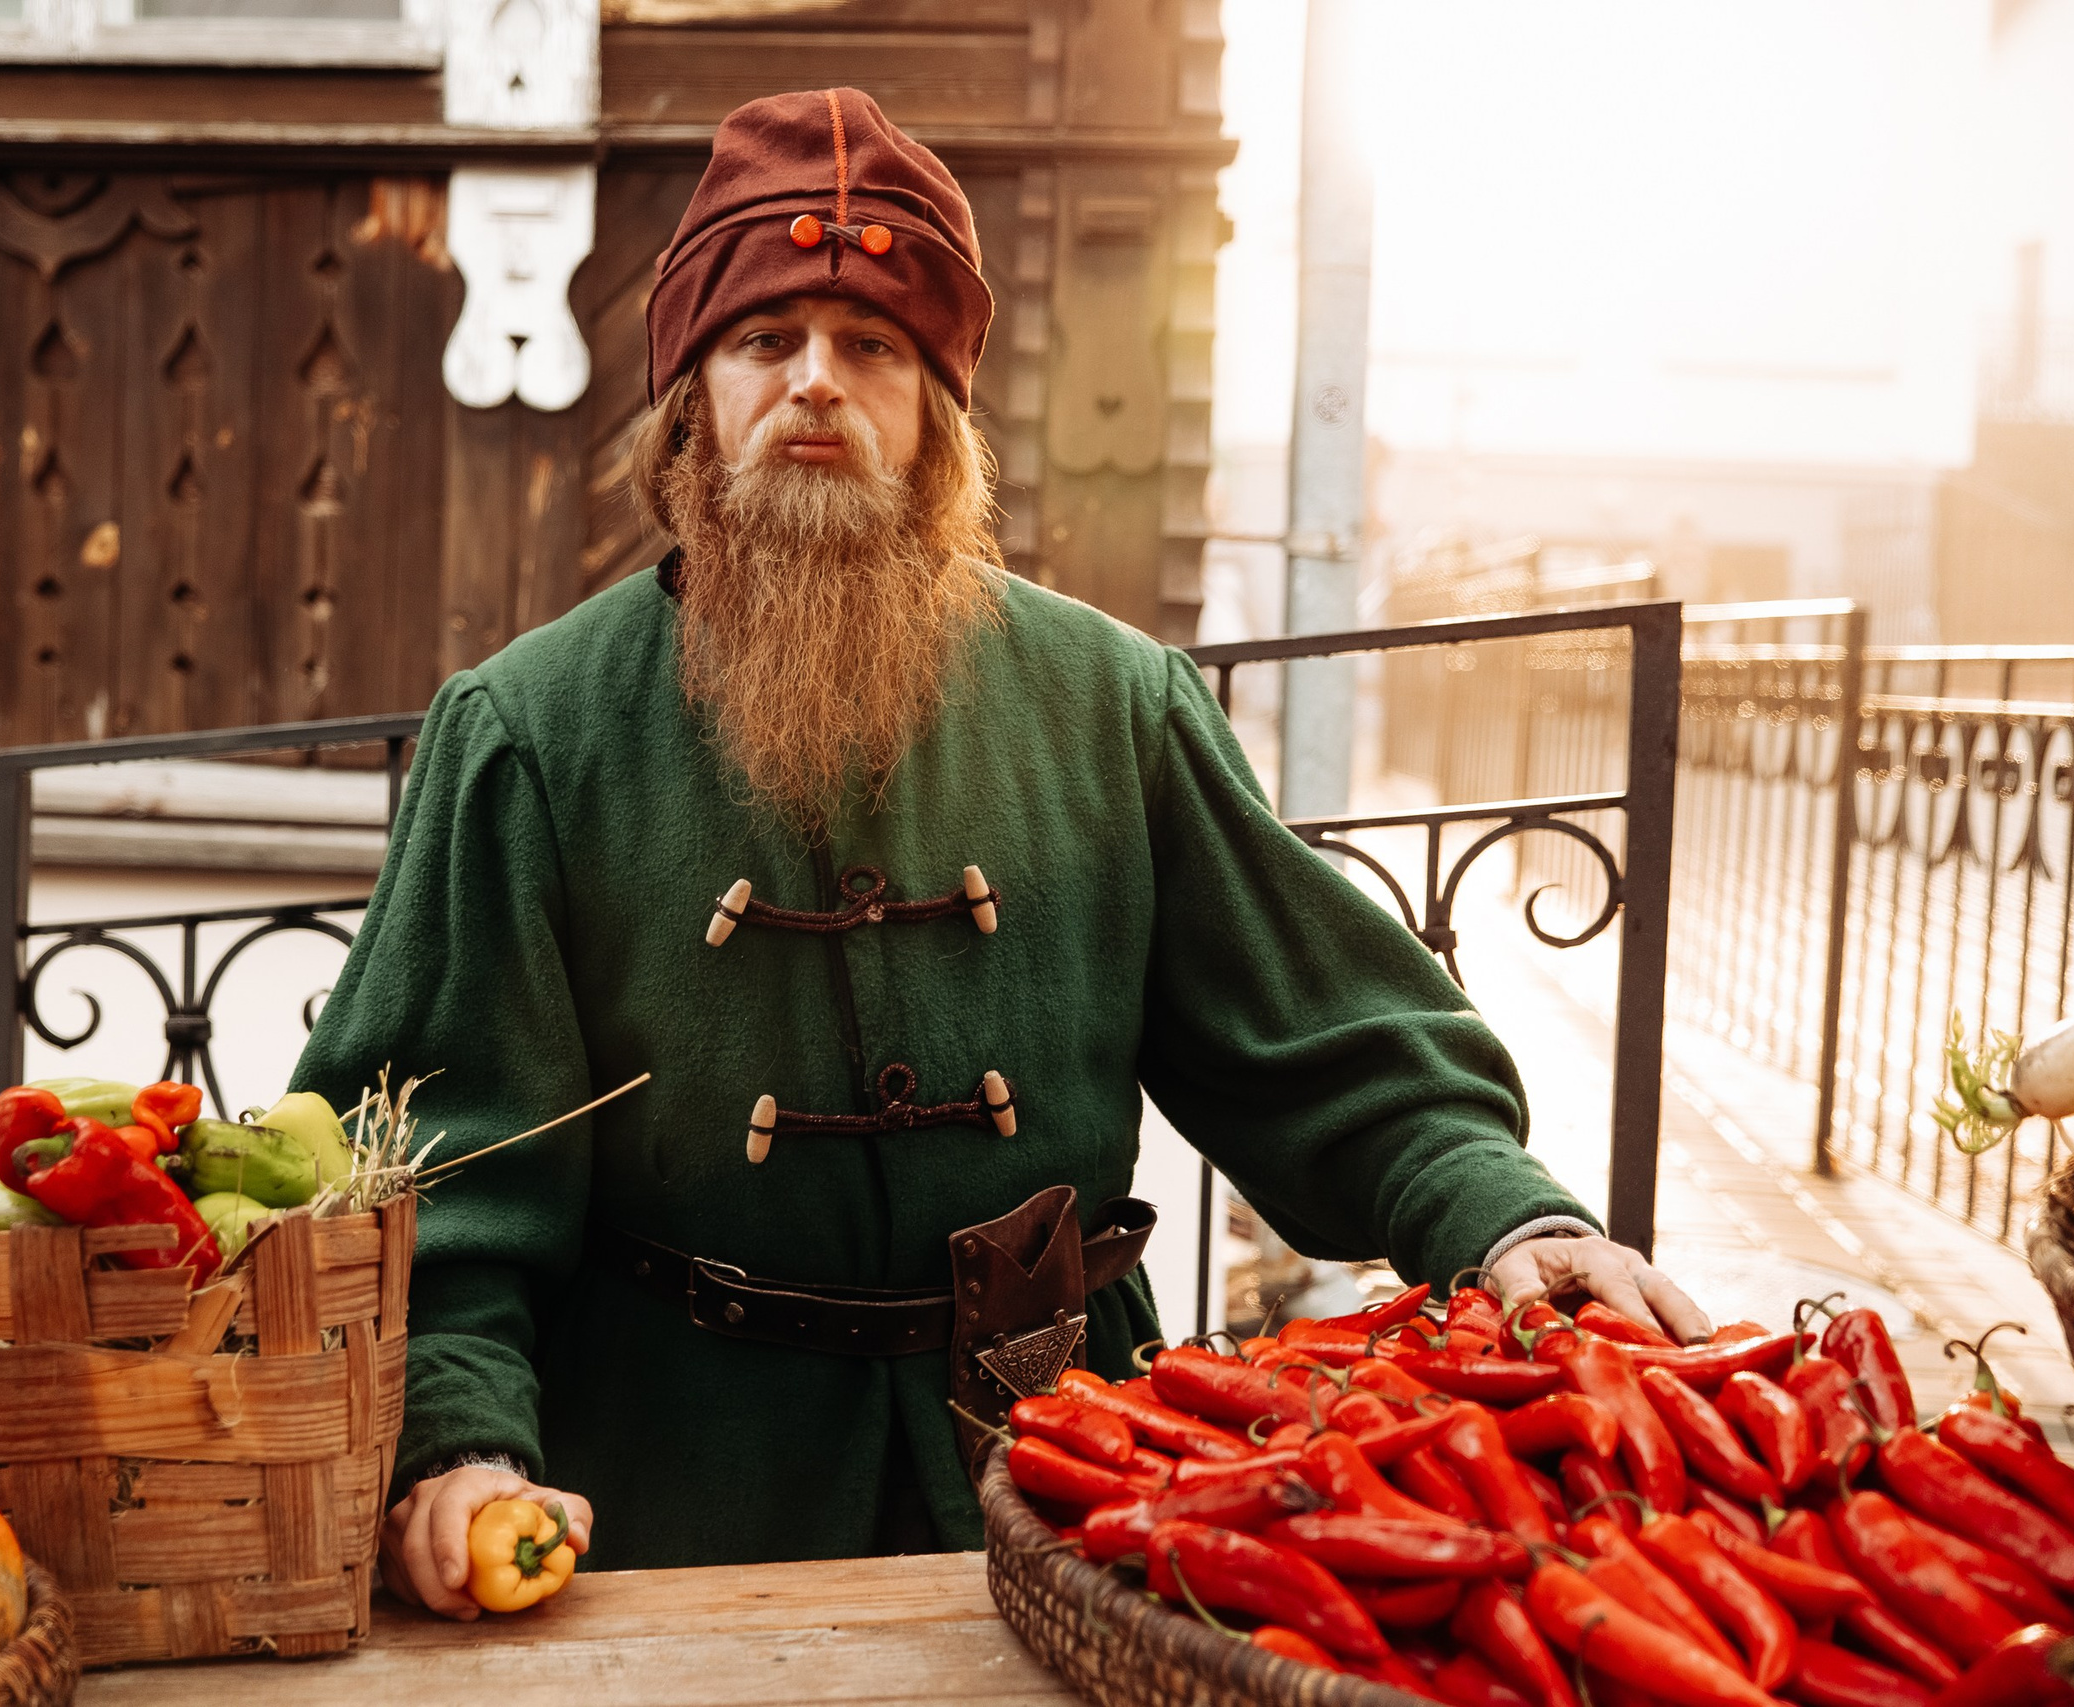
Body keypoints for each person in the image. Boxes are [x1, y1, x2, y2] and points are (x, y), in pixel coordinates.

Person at [292, 85, 1707, 1621]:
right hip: (665, 1499)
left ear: (938, 419)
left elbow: (1330, 1044)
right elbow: (432, 1166)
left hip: (1075, 1471)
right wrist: (459, 1447)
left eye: (872, 346)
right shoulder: (531, 732)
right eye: (766, 340)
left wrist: (1508, 1215)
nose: (816, 382)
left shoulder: (1113, 703)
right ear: (691, 400)